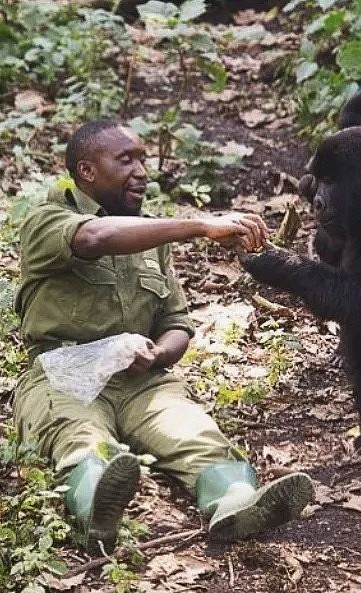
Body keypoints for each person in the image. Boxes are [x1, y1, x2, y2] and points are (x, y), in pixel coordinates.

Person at [13, 118, 313, 555]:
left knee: (193, 432)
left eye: (142, 158)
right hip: (64, 376)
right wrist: (200, 225)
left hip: (141, 380)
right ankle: (96, 503)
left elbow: (176, 323)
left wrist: (155, 355)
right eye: (125, 159)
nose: (141, 170)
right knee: (81, 438)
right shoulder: (46, 221)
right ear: (87, 171)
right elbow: (94, 237)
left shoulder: (153, 239)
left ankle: (235, 503)